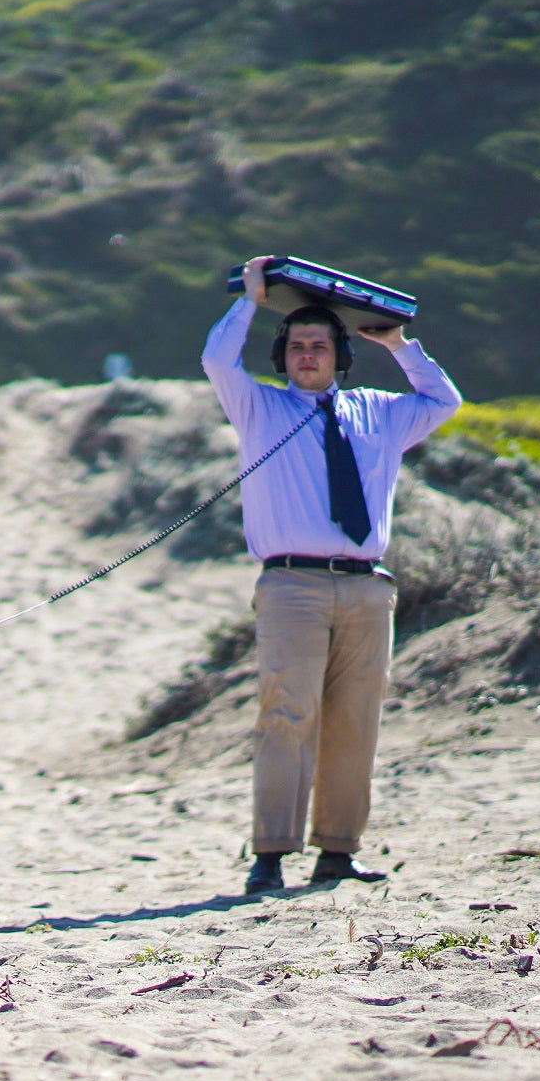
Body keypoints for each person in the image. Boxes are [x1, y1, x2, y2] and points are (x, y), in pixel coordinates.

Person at [204, 255, 462, 895]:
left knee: (356, 721)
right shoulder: (258, 409)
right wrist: (251, 300)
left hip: (368, 586)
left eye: (319, 345)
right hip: (291, 585)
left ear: (340, 355)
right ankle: (270, 853)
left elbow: (444, 400)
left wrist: (399, 345)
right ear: (281, 356)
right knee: (286, 717)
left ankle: (338, 851)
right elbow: (216, 361)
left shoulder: (381, 412)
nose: (307, 356)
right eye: (295, 346)